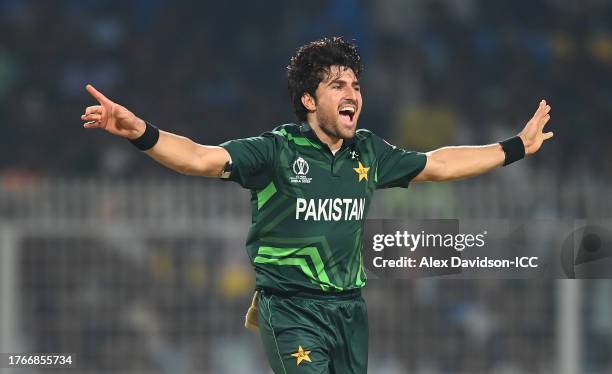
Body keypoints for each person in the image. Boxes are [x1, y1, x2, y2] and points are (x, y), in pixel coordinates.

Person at [81, 37, 553, 374]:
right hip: (290, 309)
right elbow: (200, 158)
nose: (353, 93)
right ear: (309, 99)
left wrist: (514, 147)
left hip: (349, 312)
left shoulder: (368, 152)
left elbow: (438, 164)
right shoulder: (275, 151)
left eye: (356, 85)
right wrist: (140, 132)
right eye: (337, 85)